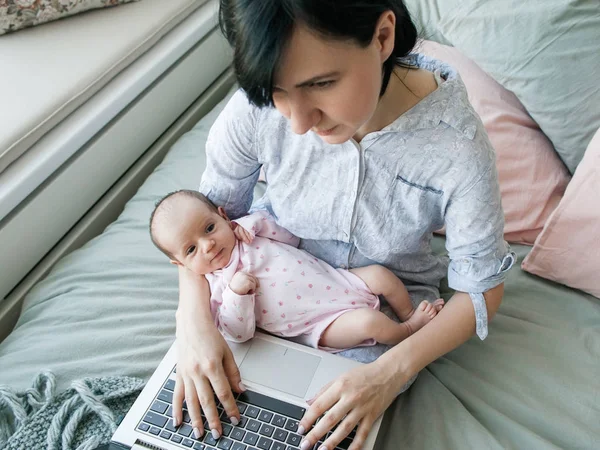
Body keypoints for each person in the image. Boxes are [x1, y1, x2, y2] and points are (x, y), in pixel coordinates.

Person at [172, 1, 516, 449]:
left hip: (375, 320)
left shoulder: (457, 147)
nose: (297, 123)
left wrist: (389, 373)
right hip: (253, 297)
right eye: (277, 92)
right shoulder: (252, 112)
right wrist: (192, 323)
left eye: (321, 84)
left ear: (382, 37)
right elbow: (208, 217)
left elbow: (482, 288)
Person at [150, 190, 443, 354]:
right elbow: (239, 333)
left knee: (380, 275)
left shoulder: (248, 235)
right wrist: (237, 294)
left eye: (210, 228)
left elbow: (292, 238)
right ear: (181, 265)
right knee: (369, 323)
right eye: (191, 250)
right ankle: (406, 330)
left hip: (340, 281)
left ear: (223, 216)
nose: (208, 244)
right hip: (320, 323)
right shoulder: (218, 289)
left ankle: (407, 312)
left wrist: (257, 224)